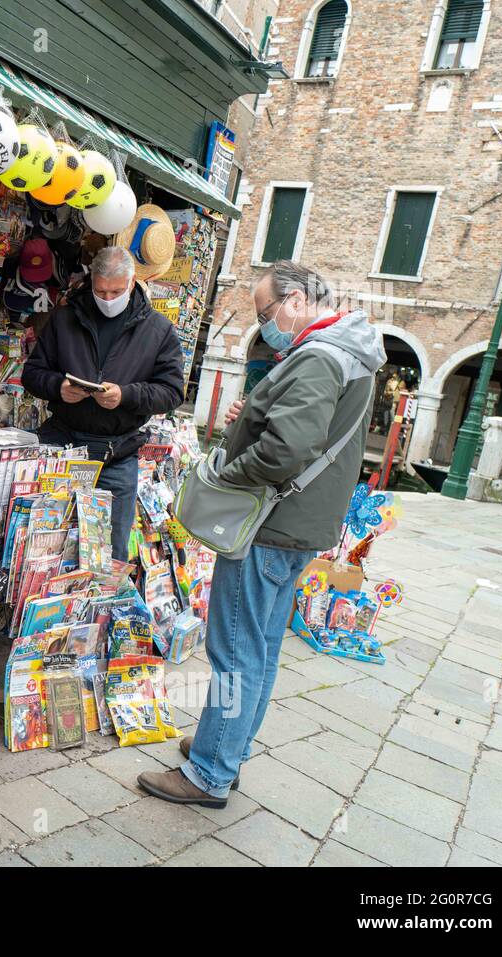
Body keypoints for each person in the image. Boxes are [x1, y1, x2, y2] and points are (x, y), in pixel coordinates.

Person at [138, 260, 386, 809]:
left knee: (235, 652)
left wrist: (229, 472)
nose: (266, 321)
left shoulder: (321, 356)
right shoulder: (349, 351)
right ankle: (226, 747)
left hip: (269, 525)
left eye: (266, 311)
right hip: (299, 525)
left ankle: (208, 774)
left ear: (296, 300)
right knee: (262, 648)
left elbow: (286, 449)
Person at [20, 245, 184, 560]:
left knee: (111, 554)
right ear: (92, 282)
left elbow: (172, 391)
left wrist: (126, 395)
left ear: (132, 284)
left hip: (117, 454)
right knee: (41, 549)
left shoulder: (159, 331)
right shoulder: (65, 318)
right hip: (62, 444)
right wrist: (59, 388)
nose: (108, 299)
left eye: (116, 292)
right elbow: (32, 374)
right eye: (101, 291)